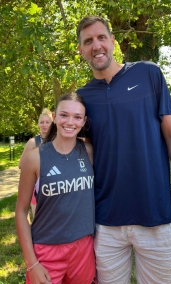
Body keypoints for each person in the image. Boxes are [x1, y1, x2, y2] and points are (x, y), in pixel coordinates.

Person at [76, 15, 171, 283]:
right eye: (88, 41)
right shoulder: (82, 98)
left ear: (113, 41)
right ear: (81, 50)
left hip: (156, 215)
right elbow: (84, 155)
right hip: (106, 221)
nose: (96, 45)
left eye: (101, 37)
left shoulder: (148, 73)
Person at [15, 93, 97, 284]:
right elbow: (21, 211)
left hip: (84, 248)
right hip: (46, 249)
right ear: (54, 116)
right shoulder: (34, 157)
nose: (70, 122)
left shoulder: (90, 152)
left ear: (84, 121)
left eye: (77, 117)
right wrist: (31, 263)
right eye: (64, 115)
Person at [19, 108, 53, 217]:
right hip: (37, 186)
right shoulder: (33, 142)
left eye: (47, 122)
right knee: (38, 218)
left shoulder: (58, 141)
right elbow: (21, 164)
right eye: (42, 122)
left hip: (55, 185)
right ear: (38, 124)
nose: (44, 125)